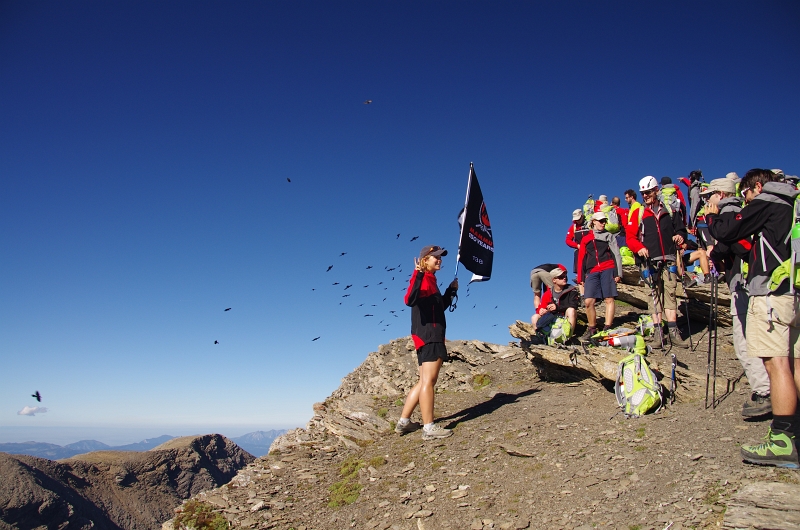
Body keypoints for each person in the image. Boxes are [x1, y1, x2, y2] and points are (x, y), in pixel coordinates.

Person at [706, 169, 799, 467]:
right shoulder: (793, 204)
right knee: (795, 361)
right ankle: (794, 432)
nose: (745, 200)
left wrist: (711, 217)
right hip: (793, 288)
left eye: (746, 193)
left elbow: (728, 233)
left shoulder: (768, 200)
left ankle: (783, 440)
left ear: (757, 186)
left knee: (777, 363)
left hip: (770, 290)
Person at [703, 177, 771, 418]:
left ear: (720, 194)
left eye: (709, 195)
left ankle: (764, 392)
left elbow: (736, 243)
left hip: (742, 284)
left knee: (744, 342)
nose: (706, 200)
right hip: (749, 282)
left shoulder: (729, 212)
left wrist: (716, 249)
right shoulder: (741, 210)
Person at [396, 245, 459, 441]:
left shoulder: (431, 280)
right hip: (429, 336)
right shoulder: (423, 278)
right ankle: (429, 428)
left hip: (426, 336)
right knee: (429, 382)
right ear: (425, 260)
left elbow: (438, 308)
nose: (439, 260)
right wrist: (418, 274)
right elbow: (409, 299)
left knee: (424, 381)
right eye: (435, 257)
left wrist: (450, 291)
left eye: (440, 257)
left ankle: (404, 422)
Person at [627, 176, 690, 347]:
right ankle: (658, 333)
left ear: (656, 190)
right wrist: (639, 247)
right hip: (649, 261)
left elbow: (682, 230)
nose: (645, 196)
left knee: (670, 294)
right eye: (643, 193)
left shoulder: (670, 210)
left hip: (668, 258)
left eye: (648, 192)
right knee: (653, 296)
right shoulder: (640, 212)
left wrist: (680, 236)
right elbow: (630, 238)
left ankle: (673, 332)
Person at [577, 211, 622, 339]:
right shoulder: (586, 238)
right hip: (592, 271)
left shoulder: (609, 236)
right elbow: (581, 259)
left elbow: (616, 254)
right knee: (588, 301)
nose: (603, 223)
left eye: (604, 221)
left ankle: (608, 327)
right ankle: (592, 328)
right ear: (593, 222)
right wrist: (580, 277)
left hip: (608, 268)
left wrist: (618, 273)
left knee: (609, 299)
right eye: (601, 221)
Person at [532, 268, 579, 335]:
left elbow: (574, 305)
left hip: (565, 317)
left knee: (571, 310)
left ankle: (568, 336)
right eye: (561, 277)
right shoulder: (548, 293)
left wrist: (557, 307)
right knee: (535, 317)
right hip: (552, 317)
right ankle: (541, 337)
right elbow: (542, 307)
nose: (564, 278)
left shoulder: (571, 290)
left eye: (565, 276)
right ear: (554, 280)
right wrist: (542, 310)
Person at [565, 209, 589, 279]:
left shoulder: (589, 224)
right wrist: (577, 246)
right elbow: (568, 240)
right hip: (579, 251)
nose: (577, 221)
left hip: (590, 250)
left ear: (582, 216)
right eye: (576, 219)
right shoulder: (573, 227)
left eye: (579, 219)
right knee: (580, 273)